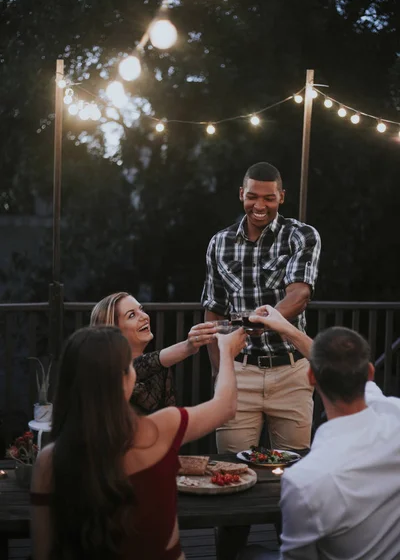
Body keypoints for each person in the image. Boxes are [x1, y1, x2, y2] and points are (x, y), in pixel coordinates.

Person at [31, 324, 247, 560]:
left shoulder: (48, 461)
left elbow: (43, 553)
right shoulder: (161, 428)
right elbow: (226, 406)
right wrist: (226, 352)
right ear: (124, 379)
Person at [238, 305, 400, 560]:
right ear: (369, 372)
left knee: (247, 555)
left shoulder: (305, 480)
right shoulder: (394, 413)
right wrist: (289, 329)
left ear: (310, 377)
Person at [202, 162, 321, 454]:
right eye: (253, 196)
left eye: (269, 198)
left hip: (291, 373)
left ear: (281, 197)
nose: (260, 205)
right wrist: (220, 370)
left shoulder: (301, 235)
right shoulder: (219, 243)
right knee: (233, 465)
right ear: (242, 194)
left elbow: (299, 295)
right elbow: (214, 309)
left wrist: (258, 320)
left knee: (294, 469)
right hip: (240, 371)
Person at [91, 292, 217, 414]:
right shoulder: (106, 374)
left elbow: (171, 421)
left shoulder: (160, 370)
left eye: (141, 309)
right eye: (132, 315)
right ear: (113, 331)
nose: (145, 316)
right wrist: (188, 346)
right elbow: (134, 368)